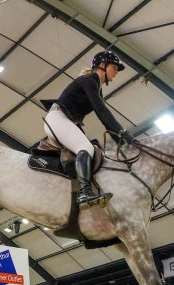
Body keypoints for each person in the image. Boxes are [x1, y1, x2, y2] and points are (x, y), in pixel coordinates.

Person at [44, 51, 133, 209]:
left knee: (93, 147)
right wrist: (122, 133)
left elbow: (105, 118)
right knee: (85, 148)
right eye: (114, 67)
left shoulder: (96, 87)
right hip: (58, 118)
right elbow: (102, 112)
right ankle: (85, 192)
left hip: (65, 120)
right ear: (103, 66)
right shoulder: (89, 81)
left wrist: (121, 139)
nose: (117, 71)